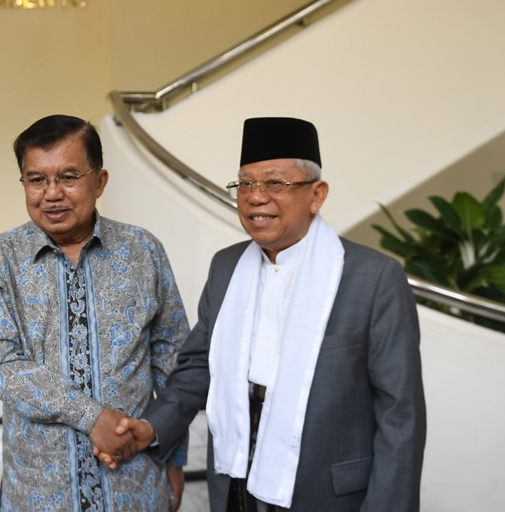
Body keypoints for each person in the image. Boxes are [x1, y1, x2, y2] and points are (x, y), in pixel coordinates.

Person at [101, 116, 427, 511]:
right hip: (236, 479)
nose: (256, 197)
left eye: (276, 183)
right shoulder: (226, 267)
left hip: (326, 492)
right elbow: (197, 367)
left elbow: (400, 415)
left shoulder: (373, 278)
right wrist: (151, 428)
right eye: (246, 184)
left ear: (317, 194)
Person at [0, 114, 190, 512]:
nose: (51, 193)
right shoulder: (2, 258)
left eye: (69, 177)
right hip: (40, 489)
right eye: (37, 180)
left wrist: (172, 454)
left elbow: (173, 361)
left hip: (133, 483)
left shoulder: (143, 252)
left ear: (99, 181)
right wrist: (93, 418)